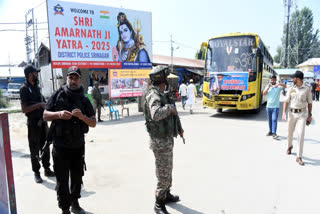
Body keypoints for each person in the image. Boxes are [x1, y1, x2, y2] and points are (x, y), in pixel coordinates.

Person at [43, 66, 96, 214]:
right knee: (62, 180)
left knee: (77, 178)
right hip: (60, 146)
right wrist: (58, 114)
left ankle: (75, 203)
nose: (73, 81)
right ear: (67, 78)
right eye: (70, 77)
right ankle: (64, 208)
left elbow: (93, 122)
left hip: (78, 146)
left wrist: (82, 117)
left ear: (79, 79)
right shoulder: (58, 94)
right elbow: (45, 115)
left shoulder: (84, 99)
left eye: (76, 78)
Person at [144, 65, 184, 214]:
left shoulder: (162, 93)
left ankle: (166, 194)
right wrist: (169, 109)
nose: (167, 79)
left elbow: (173, 112)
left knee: (168, 170)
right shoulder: (154, 95)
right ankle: (158, 203)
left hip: (166, 139)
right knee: (163, 173)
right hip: (159, 142)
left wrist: (179, 128)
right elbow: (155, 114)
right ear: (161, 79)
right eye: (165, 77)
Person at [19, 64, 55, 183]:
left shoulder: (37, 88)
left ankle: (47, 169)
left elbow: (43, 102)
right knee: (34, 149)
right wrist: (39, 105)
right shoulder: (24, 89)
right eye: (35, 73)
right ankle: (36, 173)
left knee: (45, 146)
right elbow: (24, 109)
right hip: (33, 124)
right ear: (30, 75)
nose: (37, 74)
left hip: (43, 122)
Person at [282, 70, 312, 166]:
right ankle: (289, 146)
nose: (292, 79)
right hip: (291, 113)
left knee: (300, 134)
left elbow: (310, 102)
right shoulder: (291, 88)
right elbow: (286, 101)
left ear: (298, 79)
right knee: (290, 132)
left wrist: (309, 115)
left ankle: (299, 156)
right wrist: (283, 113)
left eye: (293, 77)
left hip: (302, 114)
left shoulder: (307, 88)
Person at [262, 75, 286, 139]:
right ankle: (270, 131)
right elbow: (263, 93)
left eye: (273, 80)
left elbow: (285, 86)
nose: (272, 81)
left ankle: (274, 133)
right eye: (271, 80)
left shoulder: (278, 87)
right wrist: (268, 87)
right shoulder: (268, 86)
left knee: (274, 119)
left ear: (275, 80)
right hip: (268, 106)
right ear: (270, 80)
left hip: (275, 107)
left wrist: (278, 84)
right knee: (270, 120)